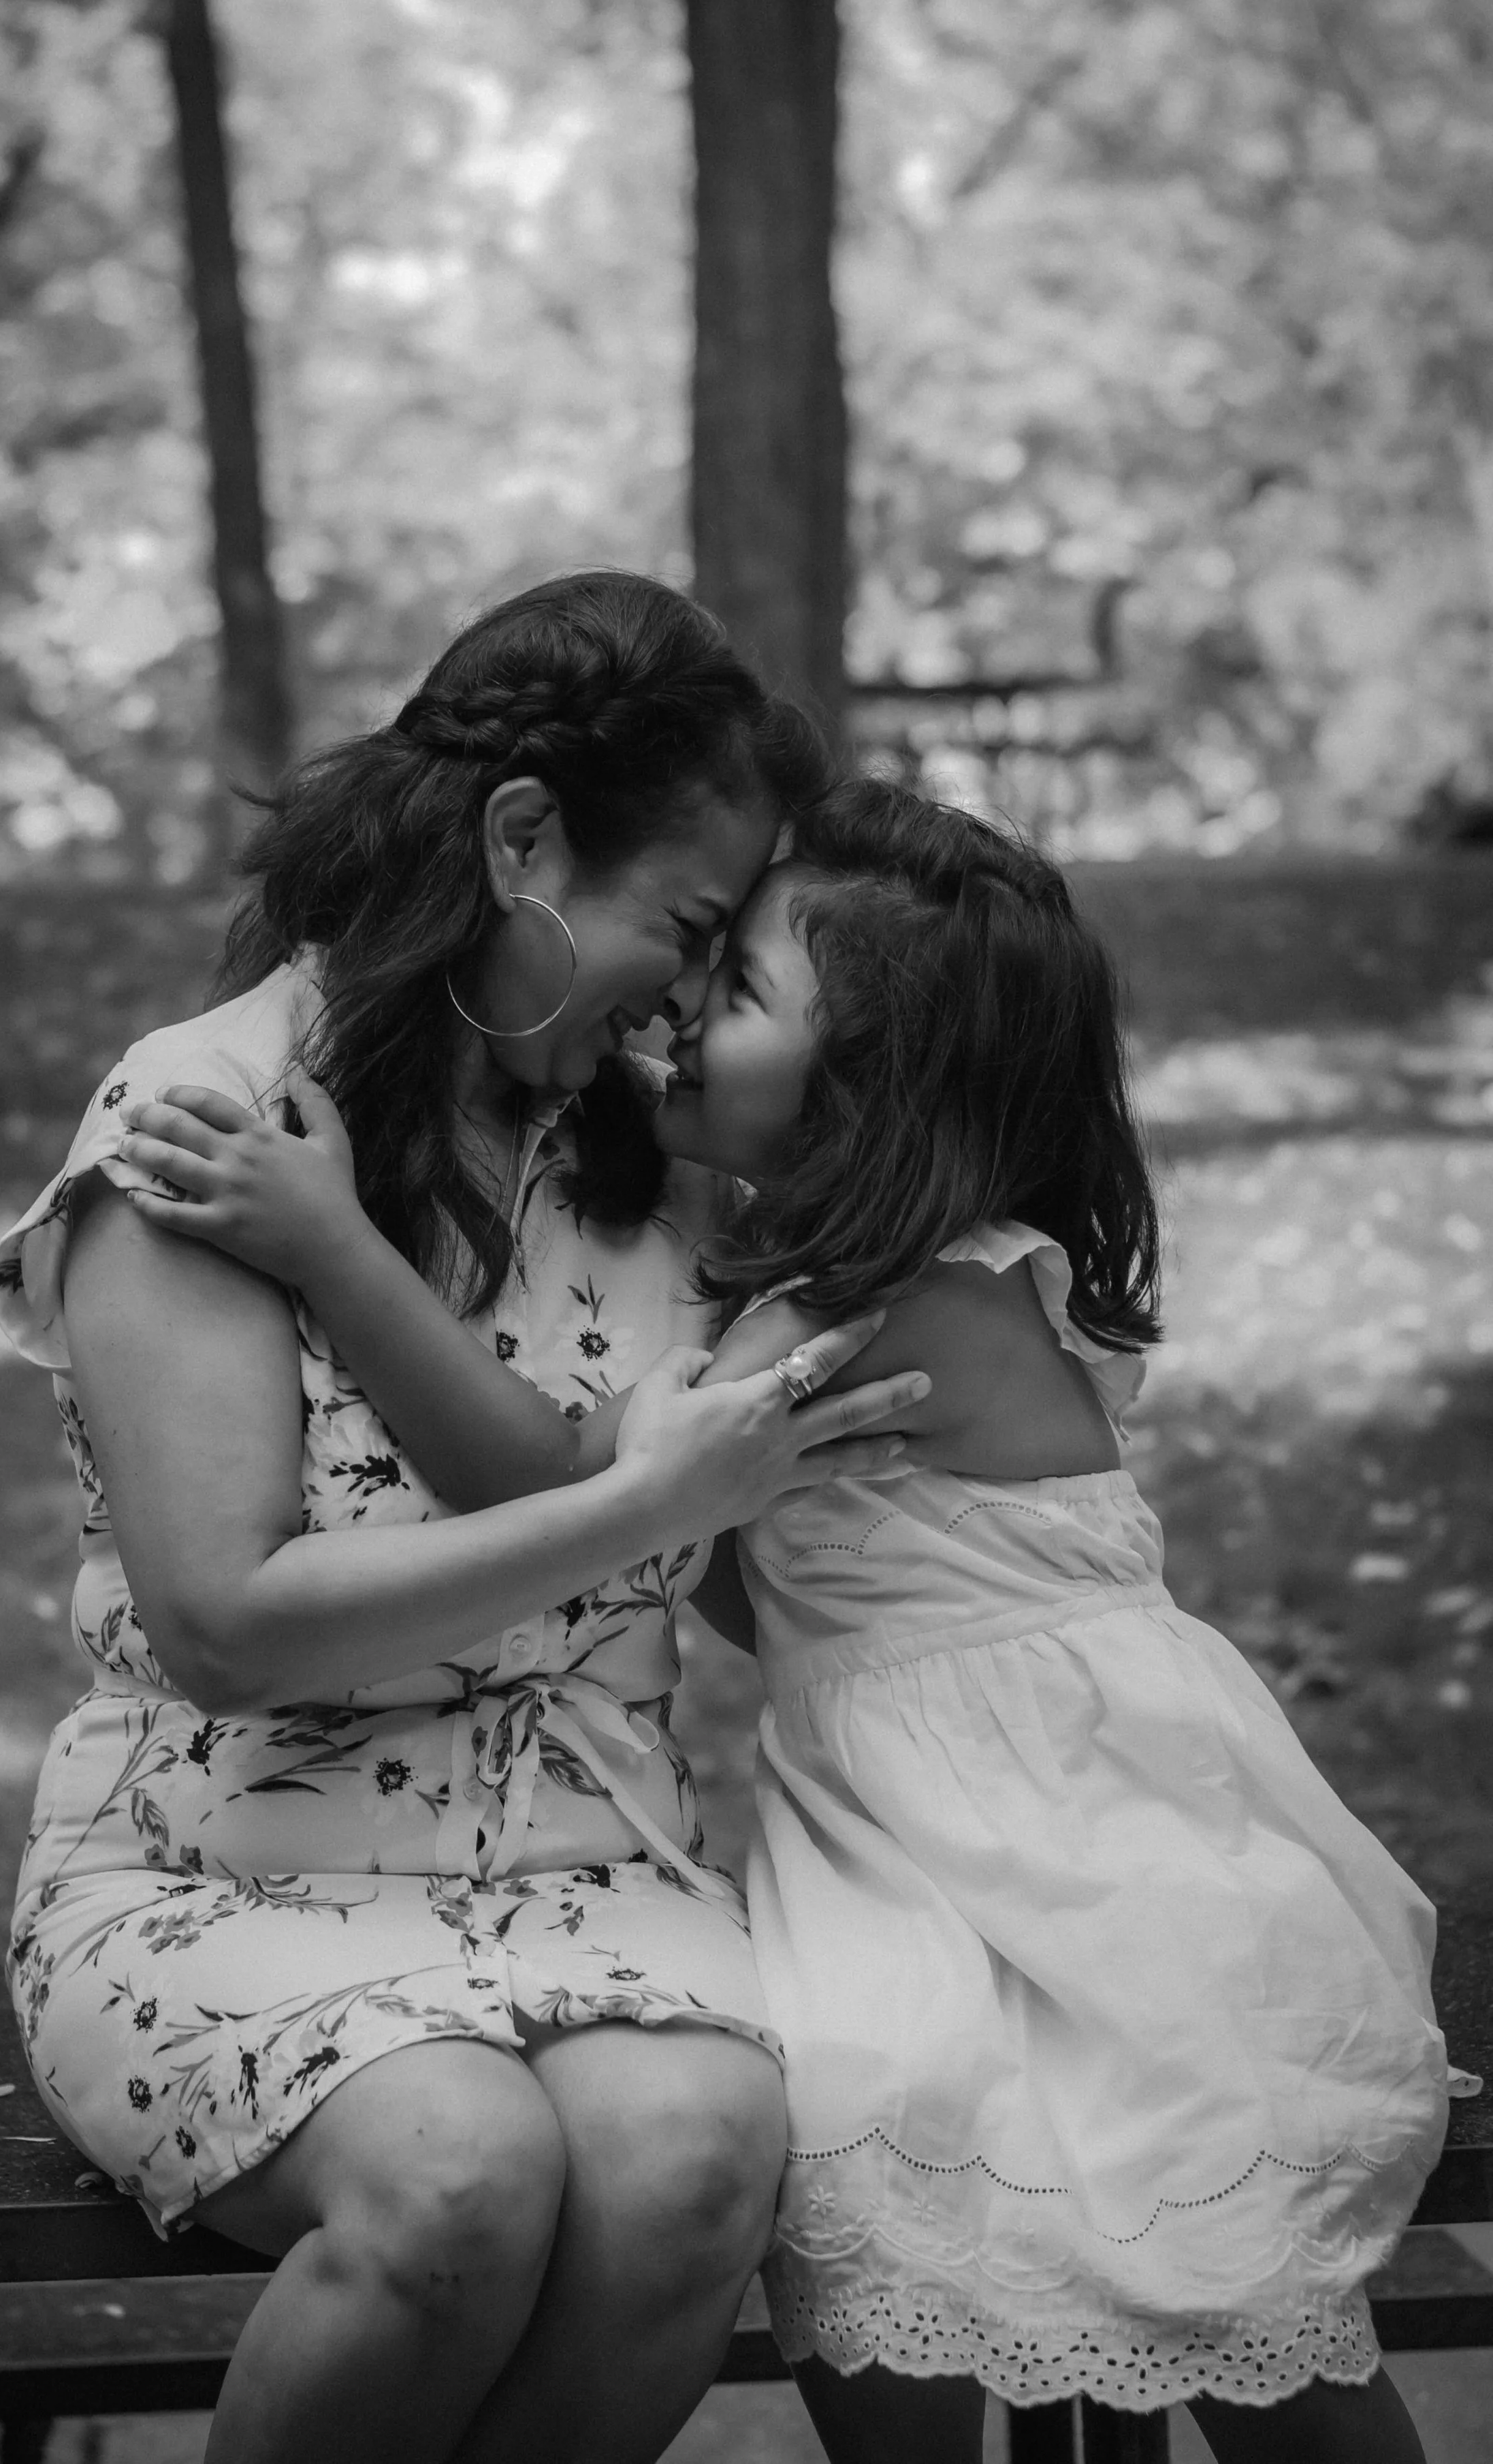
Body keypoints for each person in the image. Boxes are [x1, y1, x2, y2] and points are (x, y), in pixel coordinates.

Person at [121, 778, 1452, 2463]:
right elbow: (733, 1567)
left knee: (1208, 2256)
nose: (679, 1009)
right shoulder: (829, 1286)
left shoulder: (860, 1307)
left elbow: (548, 1482)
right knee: (872, 2145)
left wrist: (333, 1252)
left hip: (1063, 1827)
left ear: (866, 1097)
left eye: (734, 990)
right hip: (915, 1816)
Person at [0, 573, 935, 2464]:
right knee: (456, 2180)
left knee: (689, 2161)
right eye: (679, 920)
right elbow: (229, 1619)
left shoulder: (640, 1151)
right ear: (519, 838)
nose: (687, 987)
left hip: (593, 1860)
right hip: (226, 1870)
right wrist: (646, 1504)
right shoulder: (212, 1120)